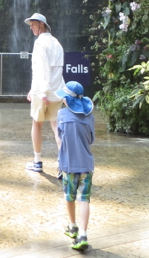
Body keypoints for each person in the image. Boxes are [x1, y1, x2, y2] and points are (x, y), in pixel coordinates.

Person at [55, 80, 95, 252]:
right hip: (86, 164)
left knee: (69, 196)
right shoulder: (90, 116)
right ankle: (84, 235)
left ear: (67, 100)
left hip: (68, 165)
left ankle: (72, 226)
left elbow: (60, 135)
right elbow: (91, 139)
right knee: (84, 199)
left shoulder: (62, 115)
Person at [24, 12, 64, 173]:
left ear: (41, 24)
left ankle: (37, 161)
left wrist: (42, 92)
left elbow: (42, 69)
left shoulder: (40, 43)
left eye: (33, 24)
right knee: (56, 127)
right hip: (56, 91)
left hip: (44, 93)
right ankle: (63, 166)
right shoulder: (57, 43)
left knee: (37, 124)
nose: (31, 27)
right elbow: (57, 70)